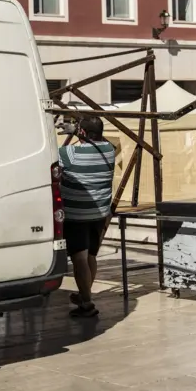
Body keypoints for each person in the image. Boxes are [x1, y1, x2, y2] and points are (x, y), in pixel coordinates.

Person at [60, 115, 115, 318]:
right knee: (91, 256)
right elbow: (97, 141)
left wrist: (72, 132)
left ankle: (88, 304)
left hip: (76, 216)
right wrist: (78, 131)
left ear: (82, 132)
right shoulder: (109, 151)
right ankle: (85, 295)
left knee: (79, 259)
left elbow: (55, 161)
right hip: (100, 214)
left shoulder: (69, 154)